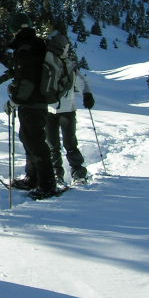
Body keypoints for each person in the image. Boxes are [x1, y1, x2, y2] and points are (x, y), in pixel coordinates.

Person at [0, 13, 64, 200]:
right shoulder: (36, 43)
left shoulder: (26, 47)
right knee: (29, 138)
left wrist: (15, 99)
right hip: (38, 100)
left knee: (34, 140)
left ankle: (46, 184)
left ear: (15, 28)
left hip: (32, 102)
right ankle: (34, 178)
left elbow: (27, 79)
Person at [45, 33, 93, 185]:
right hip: (68, 109)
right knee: (70, 142)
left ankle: (55, 173)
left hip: (48, 108)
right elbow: (81, 82)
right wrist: (87, 94)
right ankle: (78, 173)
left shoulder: (44, 62)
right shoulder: (68, 64)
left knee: (52, 144)